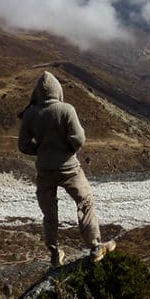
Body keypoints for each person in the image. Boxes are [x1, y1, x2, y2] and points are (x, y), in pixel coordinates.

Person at [18, 71, 115, 267]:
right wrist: (68, 150)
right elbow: (78, 139)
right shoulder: (66, 110)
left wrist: (42, 151)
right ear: (57, 91)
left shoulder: (30, 114)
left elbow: (23, 145)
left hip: (45, 170)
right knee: (85, 201)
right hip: (69, 168)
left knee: (49, 213)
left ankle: (54, 252)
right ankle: (95, 246)